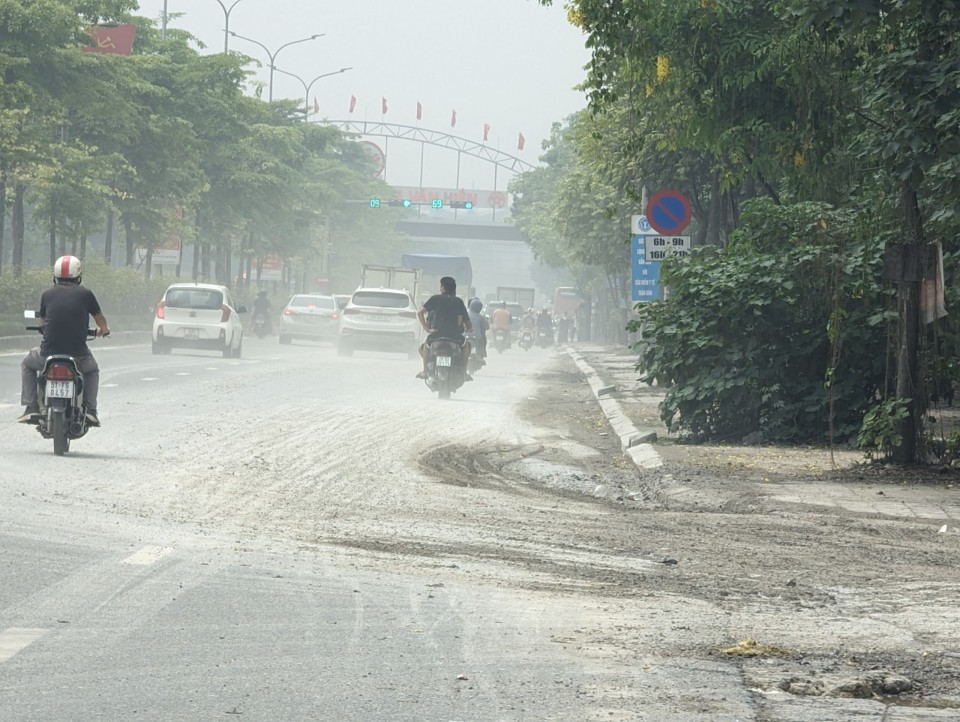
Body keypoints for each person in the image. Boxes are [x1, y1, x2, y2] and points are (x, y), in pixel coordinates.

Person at [19, 256, 110, 426]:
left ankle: (31, 407)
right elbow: (100, 318)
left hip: (47, 355)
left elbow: (43, 322)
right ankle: (91, 411)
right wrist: (104, 330)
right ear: (78, 276)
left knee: (27, 364)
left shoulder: (47, 294)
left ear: (55, 275)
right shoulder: (86, 294)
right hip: (79, 356)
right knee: (92, 371)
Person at [416, 276, 473, 380]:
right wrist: (468, 328)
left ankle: (425, 371)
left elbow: (420, 313)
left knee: (426, 346)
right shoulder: (458, 301)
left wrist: (426, 329)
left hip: (437, 335)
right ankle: (464, 373)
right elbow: (468, 324)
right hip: (455, 336)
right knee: (466, 346)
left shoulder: (435, 299)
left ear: (442, 288)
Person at [467, 297, 489, 365]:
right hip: (477, 338)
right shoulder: (481, 317)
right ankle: (481, 354)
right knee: (483, 339)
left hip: (464, 336)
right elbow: (486, 328)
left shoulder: (465, 314)